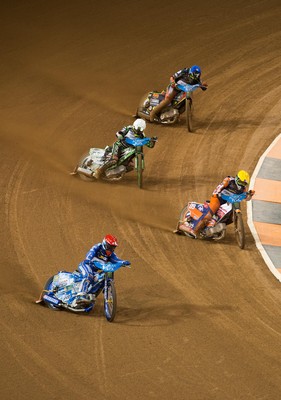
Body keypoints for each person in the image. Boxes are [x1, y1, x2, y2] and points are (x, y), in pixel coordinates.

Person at [178, 170, 255, 238]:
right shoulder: (229, 180)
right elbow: (219, 187)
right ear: (237, 179)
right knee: (208, 216)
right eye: (241, 182)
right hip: (218, 199)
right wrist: (216, 194)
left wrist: (250, 195)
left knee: (232, 218)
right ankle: (195, 230)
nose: (242, 184)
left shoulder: (243, 188)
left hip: (229, 201)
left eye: (244, 183)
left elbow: (246, 198)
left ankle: (215, 227)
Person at [73, 234, 131, 303]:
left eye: (113, 248)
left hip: (94, 271)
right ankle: (81, 295)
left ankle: (100, 292)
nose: (111, 250)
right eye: (109, 247)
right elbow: (90, 253)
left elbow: (116, 260)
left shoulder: (111, 254)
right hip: (86, 265)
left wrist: (123, 262)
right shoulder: (97, 247)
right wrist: (89, 258)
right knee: (89, 276)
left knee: (102, 277)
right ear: (104, 244)